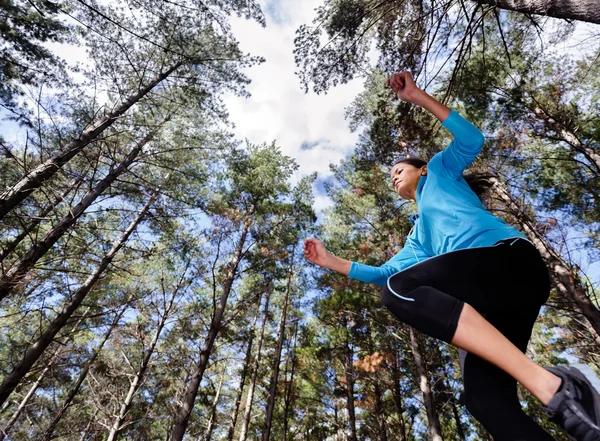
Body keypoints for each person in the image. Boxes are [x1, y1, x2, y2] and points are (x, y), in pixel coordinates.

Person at [303, 71, 600, 441]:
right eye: (390, 175)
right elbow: (383, 274)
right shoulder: (418, 238)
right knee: (484, 400)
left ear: (421, 168)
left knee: (402, 287)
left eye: (399, 169)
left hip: (509, 261)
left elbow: (473, 138)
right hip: (491, 305)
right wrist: (330, 261)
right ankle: (569, 405)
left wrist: (417, 96)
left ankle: (557, 388)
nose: (392, 177)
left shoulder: (441, 171)